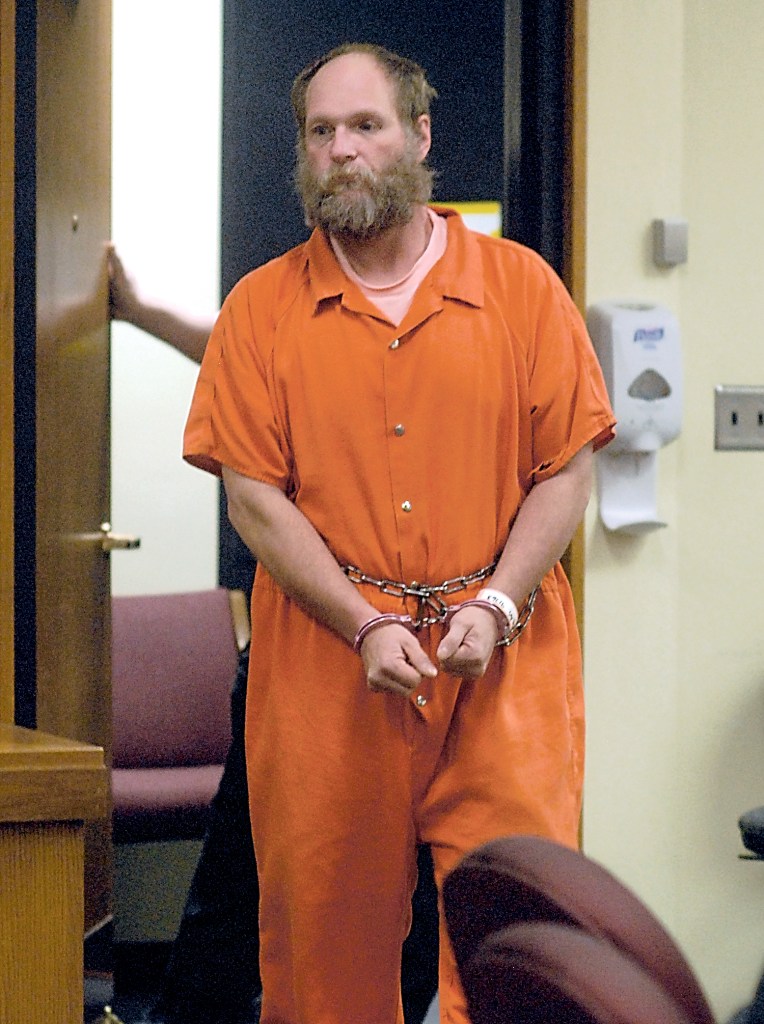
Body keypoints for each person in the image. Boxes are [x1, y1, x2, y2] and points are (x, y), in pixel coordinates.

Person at [183, 41, 616, 1024]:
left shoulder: (521, 288)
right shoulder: (259, 310)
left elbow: (565, 469)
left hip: (502, 655)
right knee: (321, 957)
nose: (341, 149)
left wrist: (496, 602)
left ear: (419, 136)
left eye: (365, 125)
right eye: (320, 131)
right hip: (328, 661)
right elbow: (255, 497)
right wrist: (366, 623)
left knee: (517, 944)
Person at [107, 246, 440, 1024]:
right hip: (299, 641)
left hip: (423, 651)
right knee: (247, 857)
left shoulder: (460, 333)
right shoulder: (285, 317)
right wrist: (142, 311)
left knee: (409, 866)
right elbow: (236, 350)